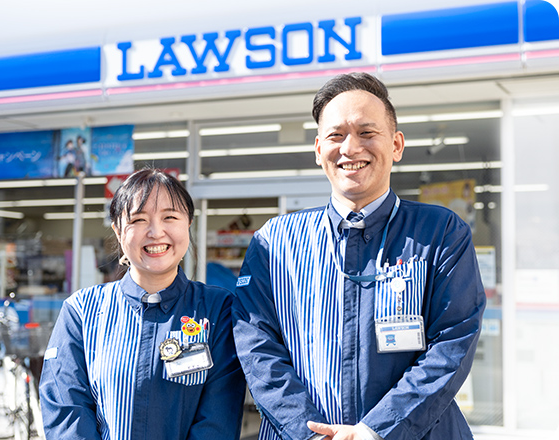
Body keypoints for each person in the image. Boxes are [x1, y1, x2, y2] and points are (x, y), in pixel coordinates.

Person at [232, 72, 486, 440]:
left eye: (367, 132)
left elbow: (453, 341)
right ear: (318, 149)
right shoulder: (274, 242)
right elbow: (257, 347)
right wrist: (310, 432)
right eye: (336, 136)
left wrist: (375, 430)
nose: (351, 148)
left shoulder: (441, 232)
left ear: (396, 145)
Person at [39, 168, 246, 440]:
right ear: (118, 230)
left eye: (170, 217)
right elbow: (66, 410)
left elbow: (218, 419)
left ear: (188, 223)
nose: (156, 232)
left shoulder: (218, 310)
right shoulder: (81, 311)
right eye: (138, 219)